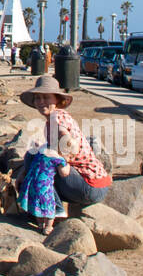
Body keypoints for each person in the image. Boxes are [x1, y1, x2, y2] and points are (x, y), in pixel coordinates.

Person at [18, 76, 111, 207]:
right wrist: (24, 172)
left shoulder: (57, 117)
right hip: (95, 184)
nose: (41, 101)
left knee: (41, 167)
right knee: (32, 155)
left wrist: (62, 150)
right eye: (38, 98)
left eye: (46, 97)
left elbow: (69, 143)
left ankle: (54, 209)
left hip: (90, 186)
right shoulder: (55, 118)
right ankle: (41, 206)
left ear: (57, 99)